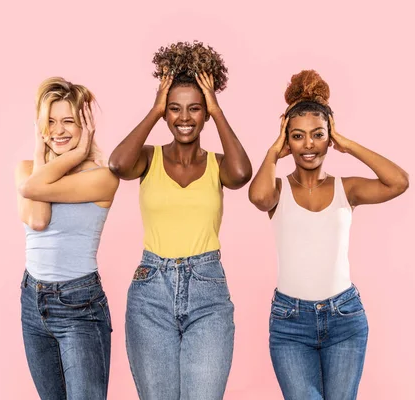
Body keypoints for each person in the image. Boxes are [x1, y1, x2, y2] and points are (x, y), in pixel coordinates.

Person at [248, 70, 409, 400]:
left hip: (344, 319)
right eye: (297, 136)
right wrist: (270, 153)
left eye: (318, 134)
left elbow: (399, 182)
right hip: (290, 323)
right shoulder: (277, 190)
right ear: (286, 141)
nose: (308, 144)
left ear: (329, 138)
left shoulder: (346, 189)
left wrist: (347, 144)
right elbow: (258, 198)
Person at [108, 41, 252, 400]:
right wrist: (155, 109)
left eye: (195, 109)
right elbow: (117, 164)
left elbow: (242, 174)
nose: (184, 118)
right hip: (150, 290)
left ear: (204, 113)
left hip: (208, 292)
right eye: (174, 109)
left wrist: (218, 110)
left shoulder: (218, 165)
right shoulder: (147, 158)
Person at [15, 77, 119, 400]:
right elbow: (39, 217)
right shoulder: (26, 168)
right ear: (40, 126)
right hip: (33, 302)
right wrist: (41, 151)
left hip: (80, 306)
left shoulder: (102, 178)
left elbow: (33, 191)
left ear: (85, 125)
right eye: (50, 121)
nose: (58, 131)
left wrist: (79, 155)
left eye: (69, 121)